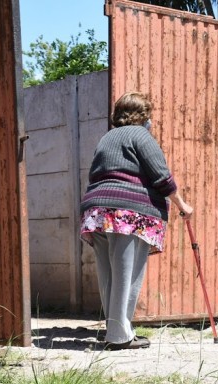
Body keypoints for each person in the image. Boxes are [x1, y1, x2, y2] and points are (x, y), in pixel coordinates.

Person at [79, 91, 194, 350]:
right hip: (129, 213)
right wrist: (182, 205)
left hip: (96, 211)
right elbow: (161, 176)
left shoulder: (106, 138)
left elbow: (95, 174)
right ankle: (120, 336)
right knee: (126, 274)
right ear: (144, 115)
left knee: (108, 274)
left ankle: (114, 328)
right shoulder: (141, 135)